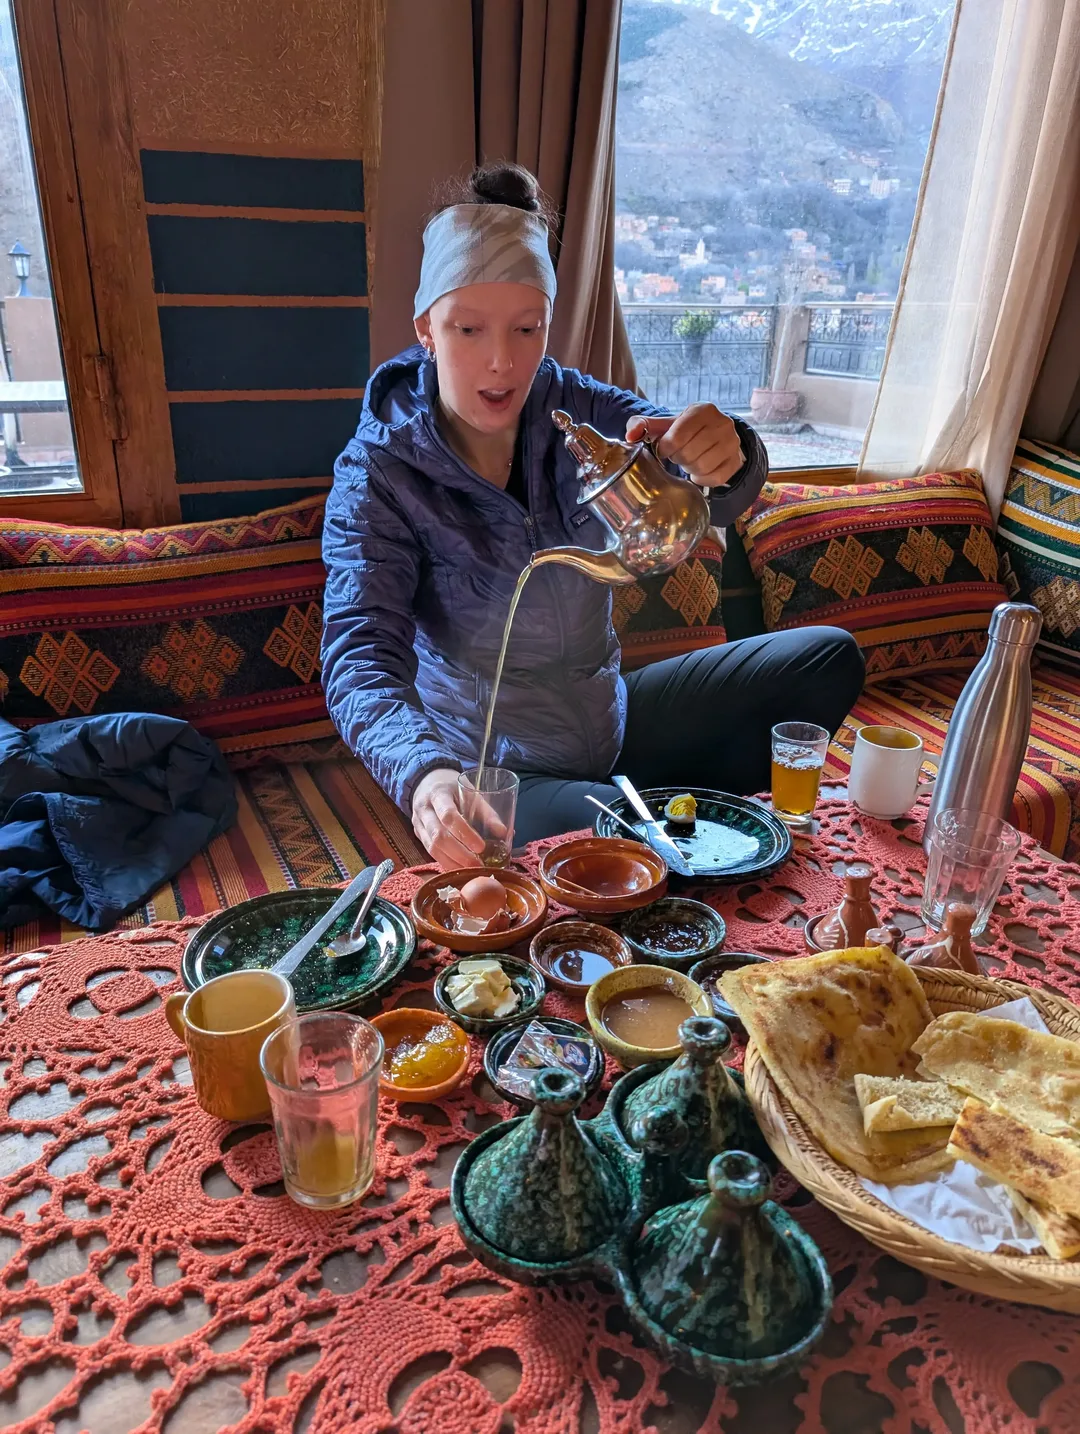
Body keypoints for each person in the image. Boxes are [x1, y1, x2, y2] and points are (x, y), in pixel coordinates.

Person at [322, 163, 864, 871]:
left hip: (606, 718)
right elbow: (360, 659)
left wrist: (727, 452)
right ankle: (648, 822)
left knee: (826, 659)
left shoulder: (578, 408)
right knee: (642, 849)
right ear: (426, 328)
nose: (500, 362)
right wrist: (424, 776)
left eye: (526, 328)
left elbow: (687, 473)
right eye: (468, 329)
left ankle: (643, 814)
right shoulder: (380, 469)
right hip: (496, 763)